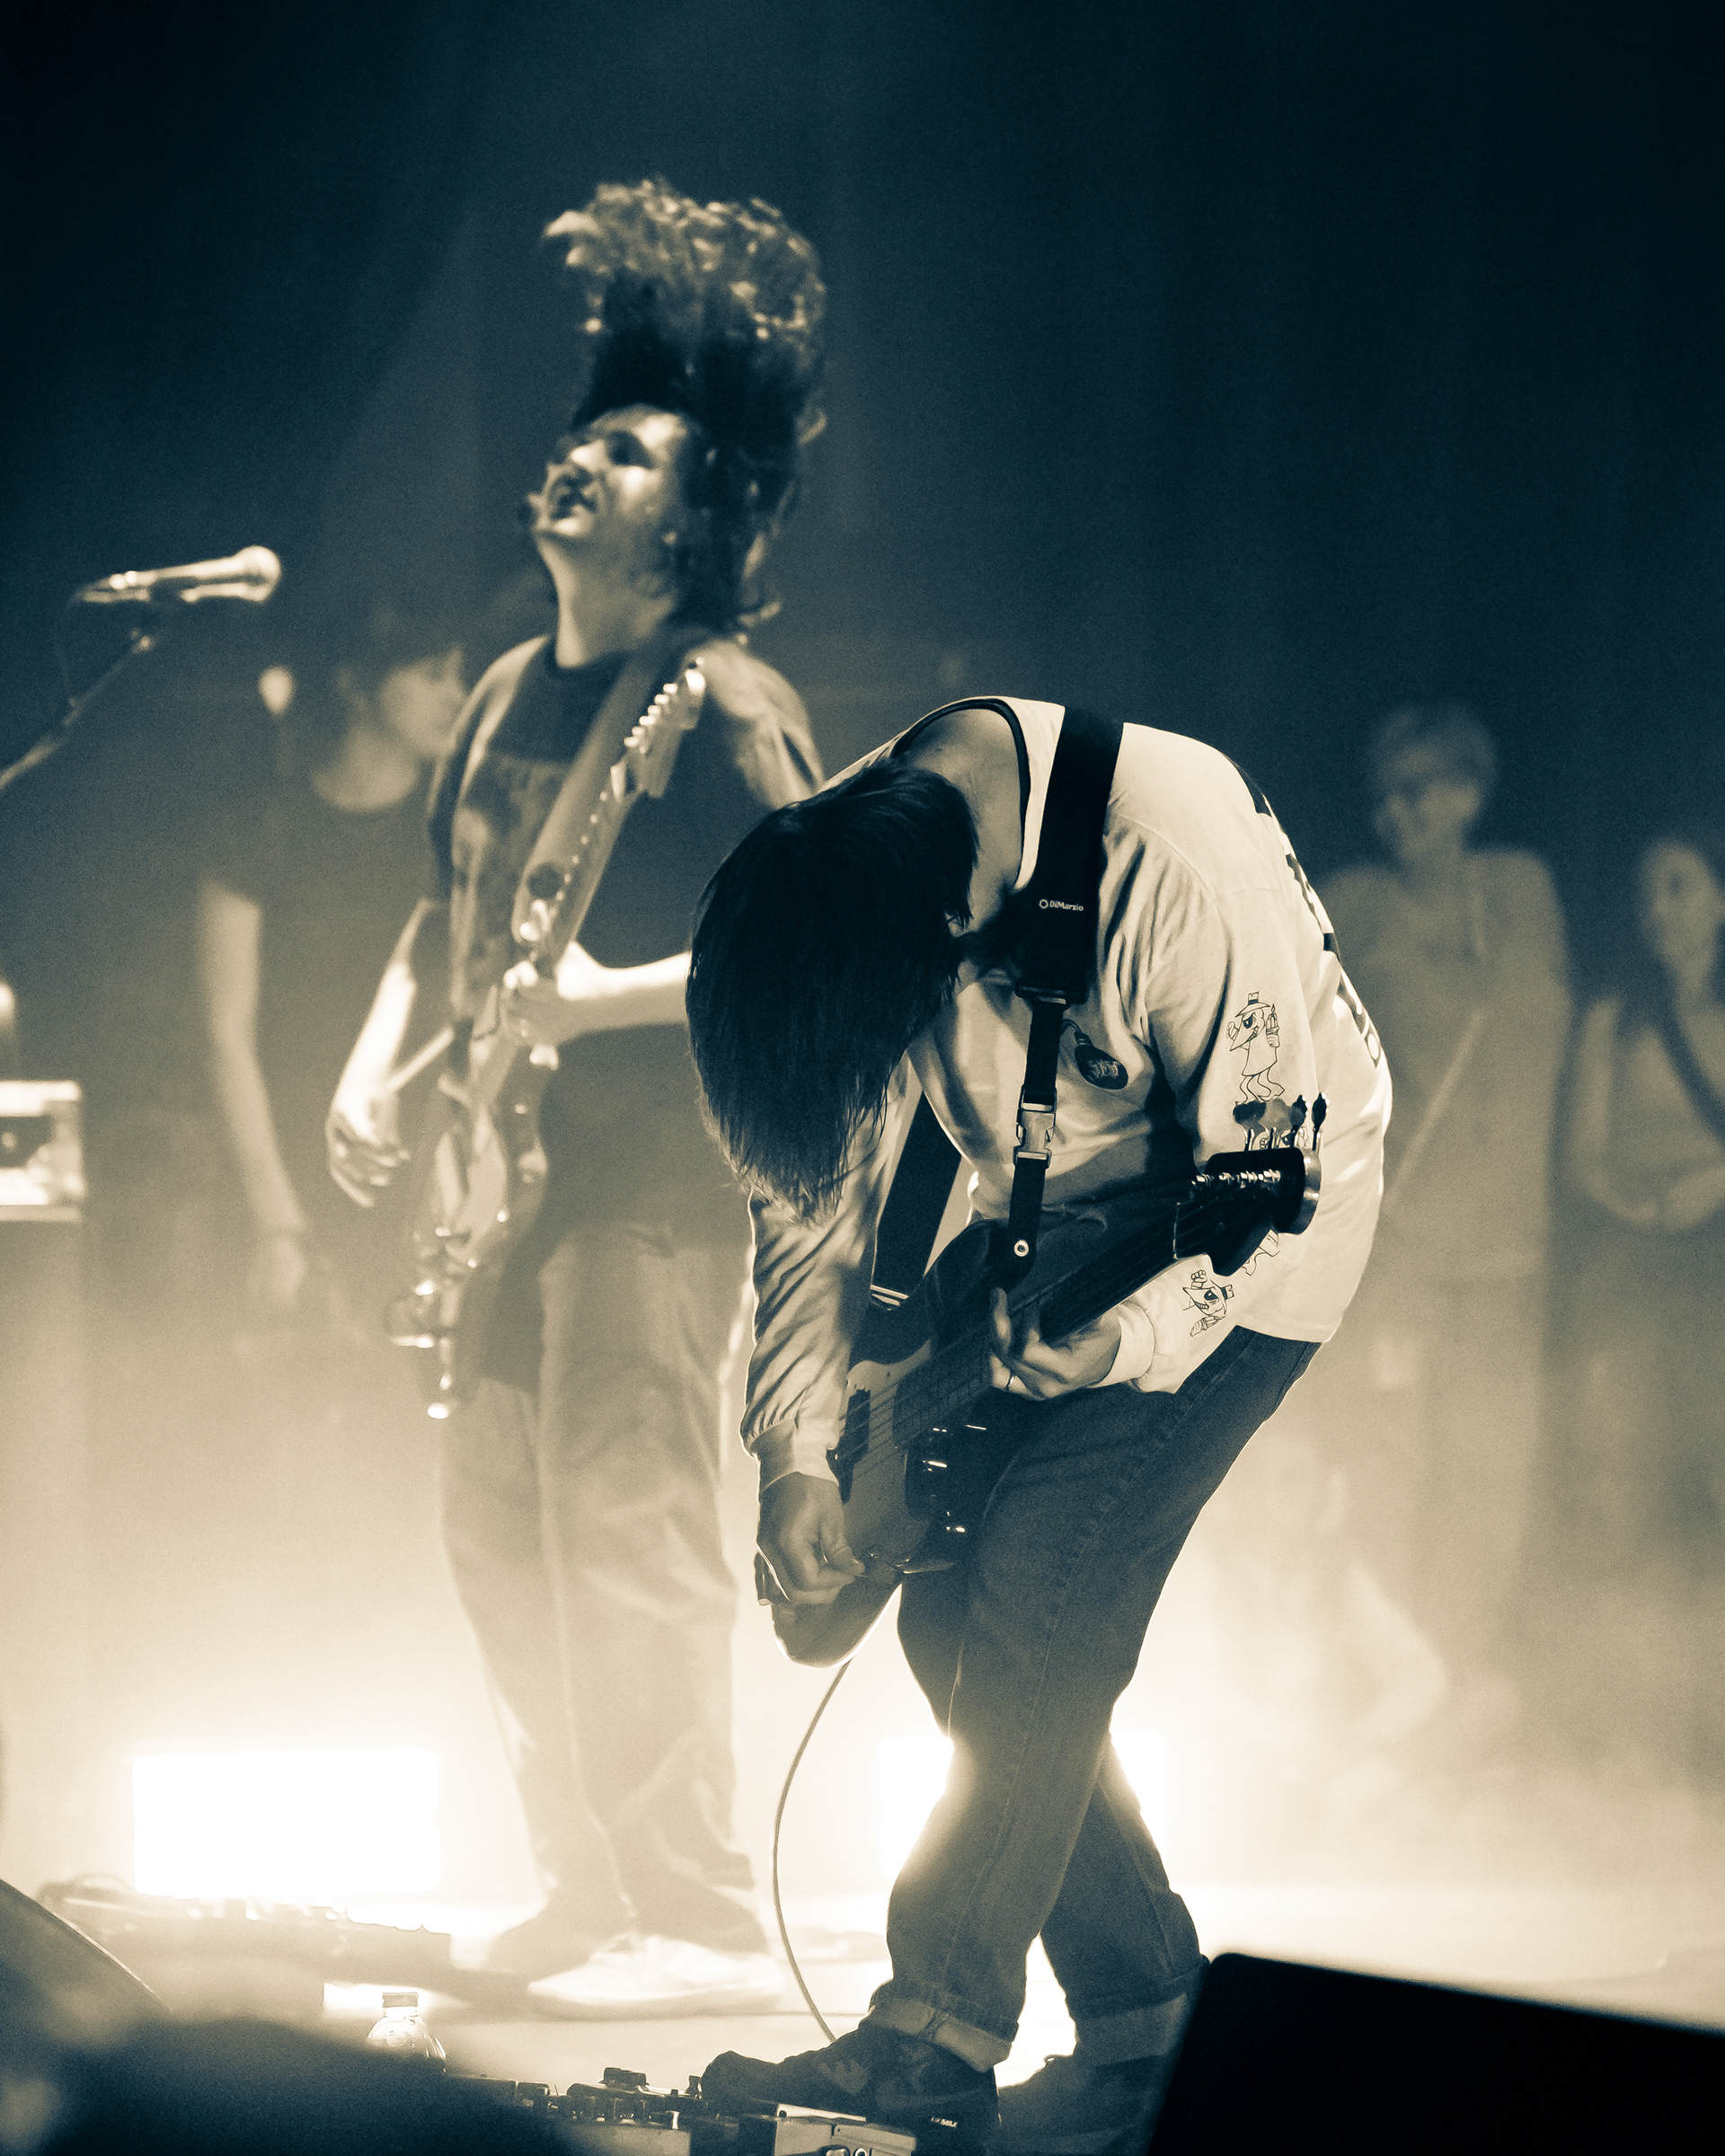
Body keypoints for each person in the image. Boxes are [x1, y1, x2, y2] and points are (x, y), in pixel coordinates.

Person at [683, 702, 1391, 2153]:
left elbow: (1276, 1177)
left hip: (1250, 1251)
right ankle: (1147, 2036)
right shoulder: (841, 878)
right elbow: (810, 1204)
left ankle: (934, 2034)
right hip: (1050, 1228)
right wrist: (794, 1454)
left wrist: (1131, 1339)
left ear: (948, 933)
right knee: (952, 1625)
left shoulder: (1171, 859)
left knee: (1040, 1586)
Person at [325, 181, 825, 2015]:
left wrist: (606, 1000)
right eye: (581, 437)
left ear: (693, 520)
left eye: (626, 452)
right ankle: (584, 1886)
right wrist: (376, 1059)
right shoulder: (500, 695)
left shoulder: (724, 704)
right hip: (499, 1194)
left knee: (625, 1534)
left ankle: (698, 1918)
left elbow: (822, 937)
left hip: (649, 1186)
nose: (579, 461)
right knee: (495, 1536)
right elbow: (442, 913)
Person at [1311, 703, 1570, 1721]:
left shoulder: (1523, 890)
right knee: (1388, 1471)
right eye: (1383, 795)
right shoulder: (1356, 901)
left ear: (1470, 790)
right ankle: (1384, 1692)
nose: (1396, 812)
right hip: (1402, 1258)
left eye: (1418, 788)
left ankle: (1455, 1693)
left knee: (1489, 1477)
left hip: (1510, 1254)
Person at [199, 599, 466, 1327]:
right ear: (357, 685)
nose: (457, 694)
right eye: (432, 673)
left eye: (459, 674)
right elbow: (226, 1034)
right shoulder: (262, 826)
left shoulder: (454, 833)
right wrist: (277, 1222)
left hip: (421, 1168)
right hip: (282, 1158)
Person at [1558, 826, 1725, 1607]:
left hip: (1716, 1253)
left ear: (1720, 897)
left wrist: (1712, 1185)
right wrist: (1643, 1211)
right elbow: (1582, 1158)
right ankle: (1621, 1618)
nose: (1658, 908)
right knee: (1621, 1451)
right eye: (1646, 894)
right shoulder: (1614, 1017)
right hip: (1631, 1256)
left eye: (1679, 885)